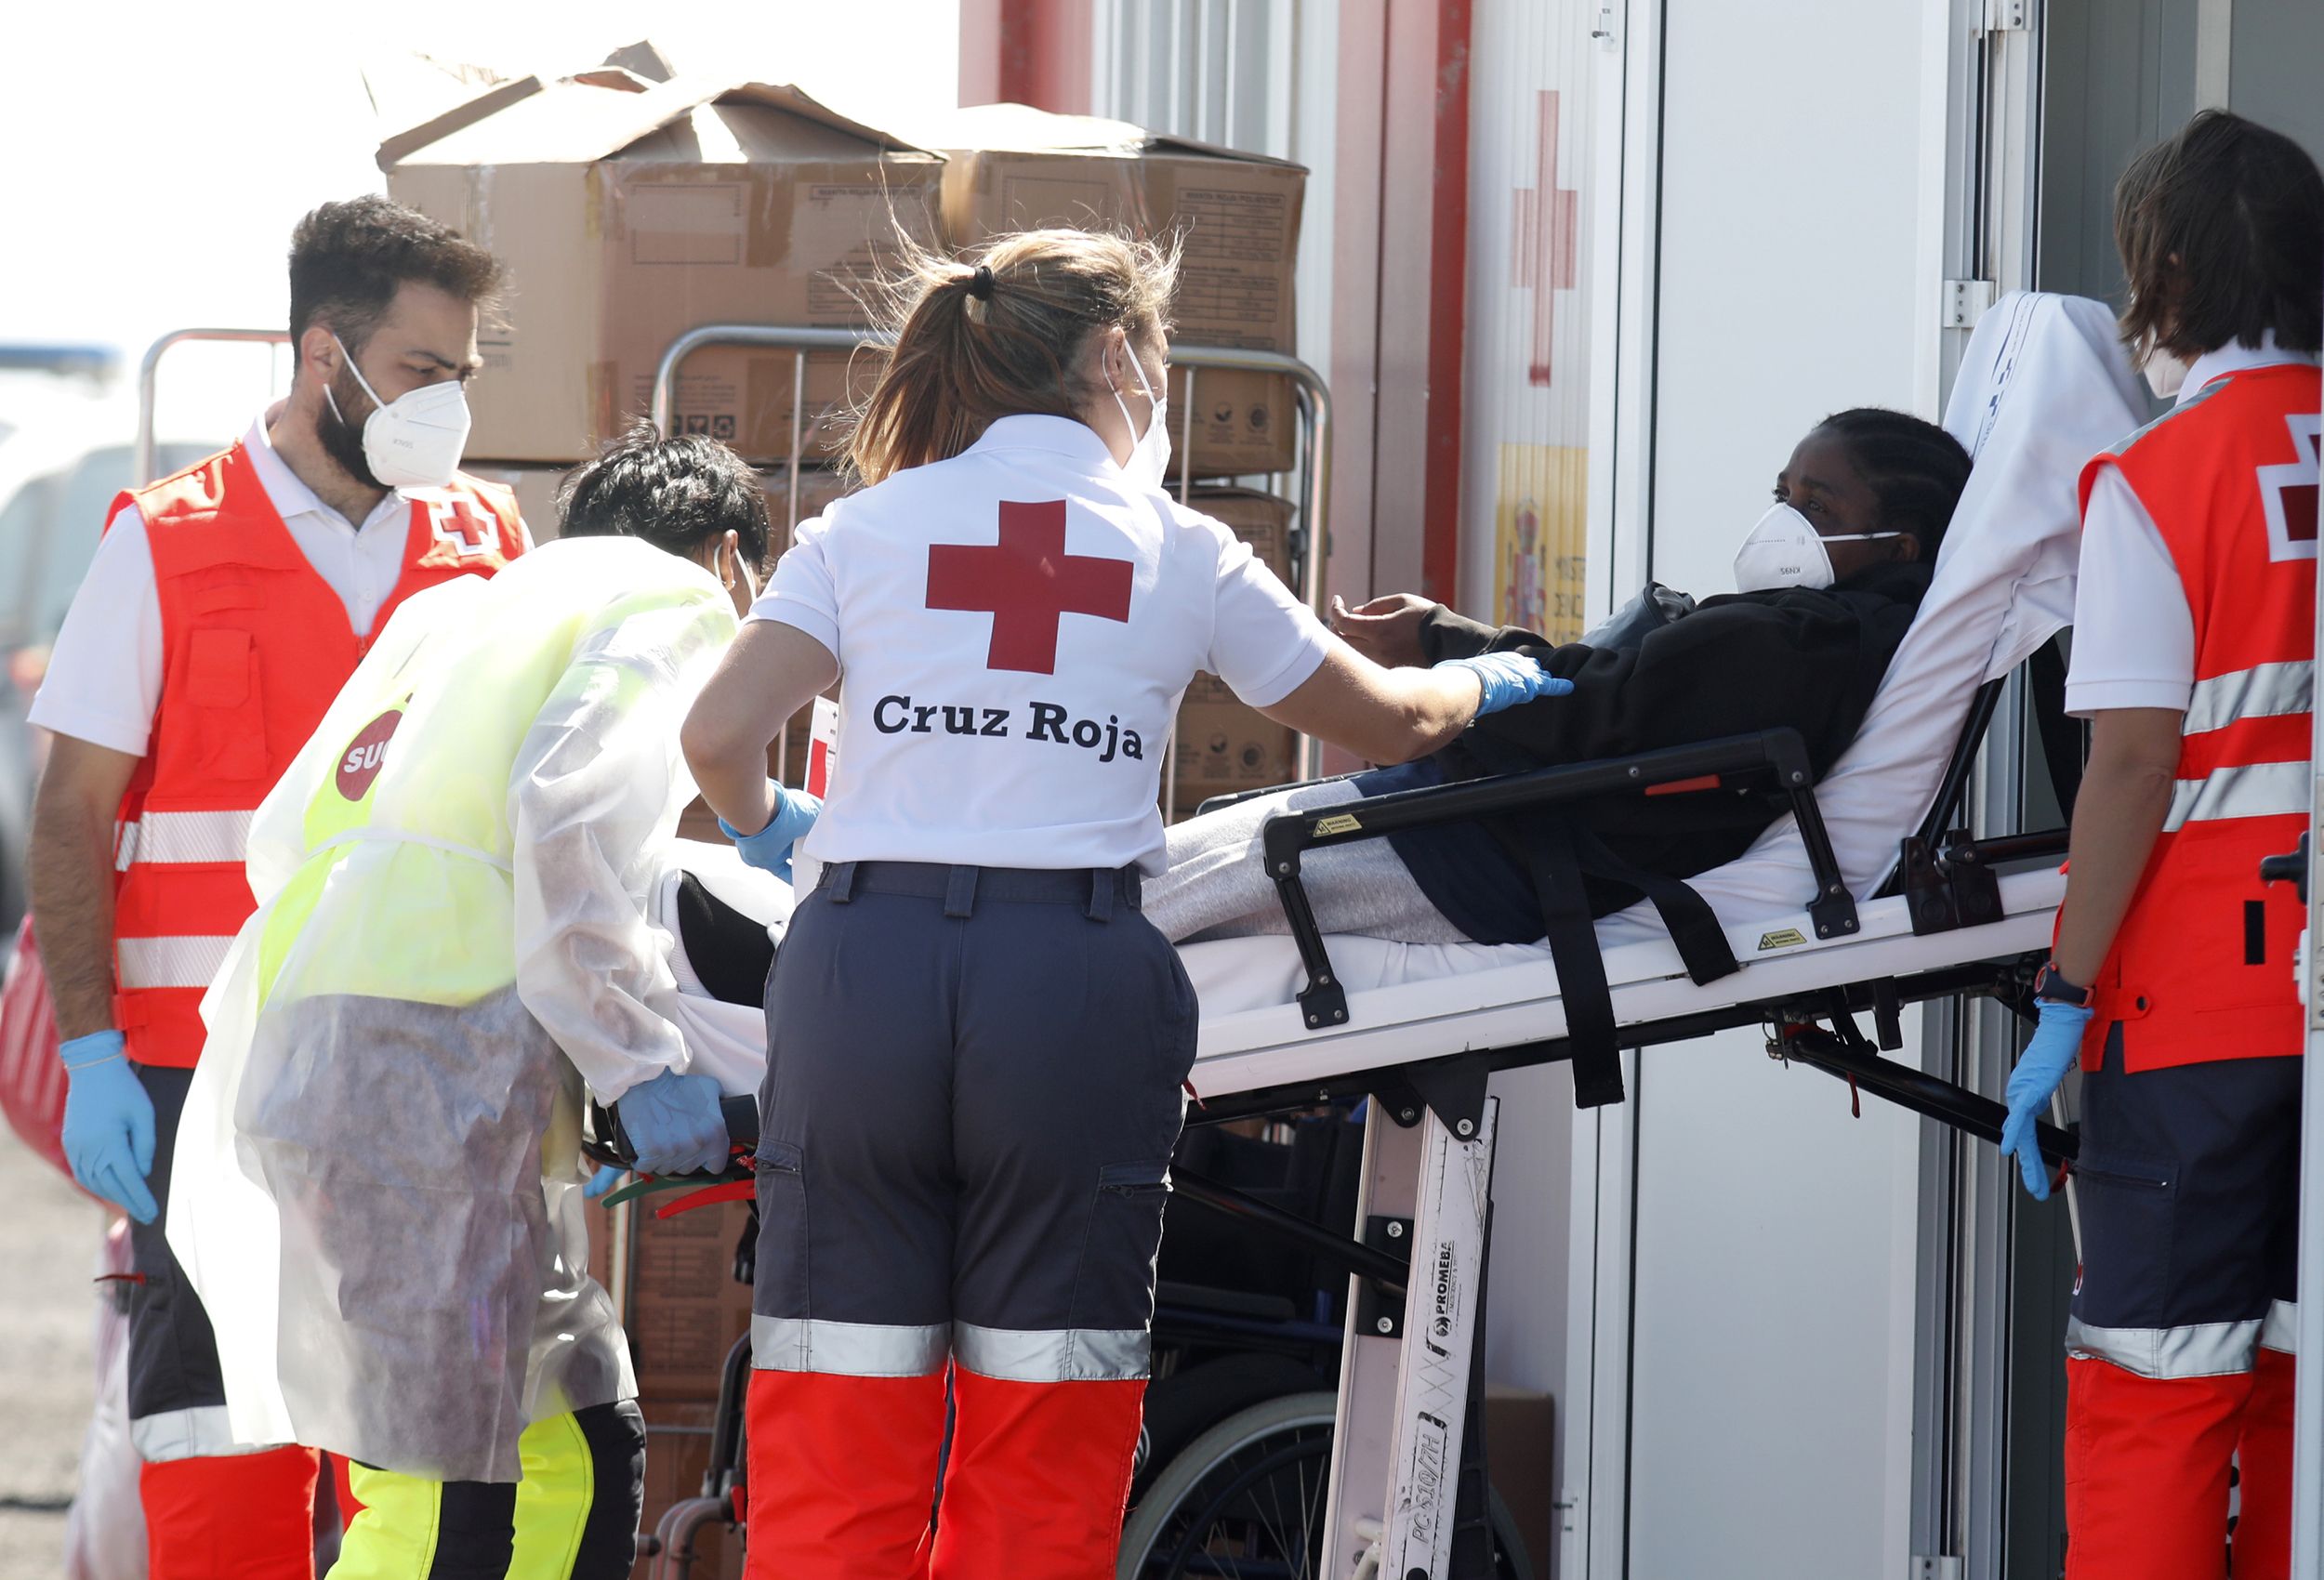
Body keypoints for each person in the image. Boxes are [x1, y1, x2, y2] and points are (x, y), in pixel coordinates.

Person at [677, 228, 1563, 1578]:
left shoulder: (861, 530)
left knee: (840, 1408)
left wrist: (774, 826)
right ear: (1109, 356)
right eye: (1153, 355)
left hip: (863, 970)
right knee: (1046, 1417)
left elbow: (717, 735)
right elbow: (1385, 721)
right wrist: (1493, 681)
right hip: (1066, 985)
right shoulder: (1180, 547)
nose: (1158, 381)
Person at [167, 427, 769, 1580]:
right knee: (445, 1497)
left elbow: (289, 829)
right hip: (424, 1073)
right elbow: (565, 817)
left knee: (578, 1442)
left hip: (329, 1052)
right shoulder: (679, 600)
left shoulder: (458, 613)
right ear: (730, 553)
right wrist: (637, 1062)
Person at [26, 194, 524, 1580]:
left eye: (464, 377)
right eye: (427, 372)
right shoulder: (165, 542)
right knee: (216, 1435)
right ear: (328, 359)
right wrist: (89, 1050)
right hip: (202, 1082)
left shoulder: (484, 547)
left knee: (405, 1448)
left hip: (418, 1063)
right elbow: (72, 818)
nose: (452, 407)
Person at [1993, 110, 2324, 1580]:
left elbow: (2131, 764)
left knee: (2156, 1388)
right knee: (2297, 1388)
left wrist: (2064, 996)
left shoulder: (2159, 481)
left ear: (2170, 273)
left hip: (2199, 1019)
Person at [1147, 407, 1973, 947]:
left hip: (1483, 854)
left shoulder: (1804, 644)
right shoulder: (1811, 632)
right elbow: (1614, 690)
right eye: (1783, 493)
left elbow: (1598, 712)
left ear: (1903, 546)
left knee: (1146, 906)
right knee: (1162, 882)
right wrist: (1446, 637)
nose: (1785, 518)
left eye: (1819, 507)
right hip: (1467, 821)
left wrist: (1448, 658)